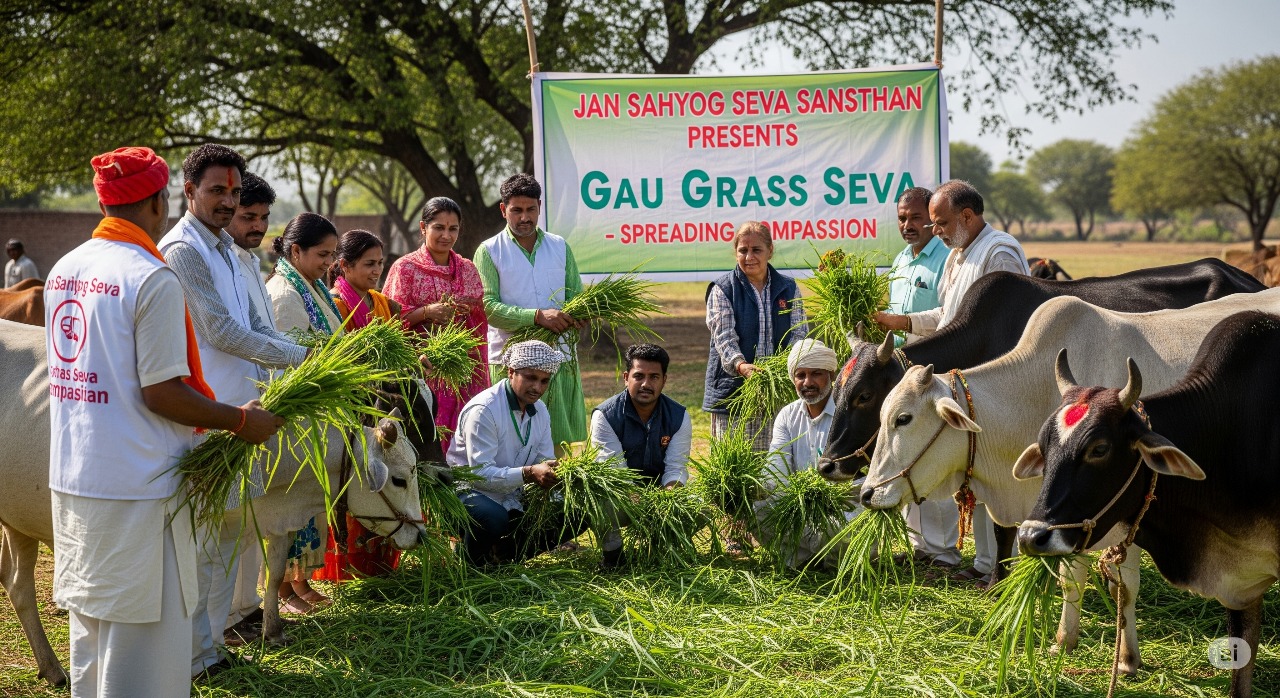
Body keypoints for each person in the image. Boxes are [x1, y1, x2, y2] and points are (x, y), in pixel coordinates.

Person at [46, 146, 282, 697]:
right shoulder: (152, 277)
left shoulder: (65, 267)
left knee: (94, 631)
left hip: (78, 480)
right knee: (145, 645)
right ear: (161, 199)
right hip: (141, 487)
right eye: (218, 191)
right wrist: (236, 421)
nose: (228, 202)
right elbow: (162, 393)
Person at [157, 146, 311, 675]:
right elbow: (220, 331)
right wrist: (305, 356)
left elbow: (257, 327)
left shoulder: (229, 250)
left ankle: (209, 649)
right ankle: (189, 657)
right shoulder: (181, 250)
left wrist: (311, 364)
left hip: (244, 414)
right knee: (202, 544)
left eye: (234, 191)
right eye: (216, 191)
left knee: (229, 536)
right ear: (188, 190)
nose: (227, 202)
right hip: (206, 415)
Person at [873, 179, 1030, 584]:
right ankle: (983, 566)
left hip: (998, 382)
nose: (934, 229)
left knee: (997, 473)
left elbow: (1011, 325)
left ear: (967, 216)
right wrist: (904, 323)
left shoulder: (1000, 252)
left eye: (940, 221)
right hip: (966, 380)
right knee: (975, 474)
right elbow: (948, 318)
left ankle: (1005, 569)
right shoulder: (958, 256)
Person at [314, 229, 408, 582]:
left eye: (380, 263)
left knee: (384, 479)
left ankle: (379, 564)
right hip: (351, 407)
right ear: (344, 266)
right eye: (369, 264)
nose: (376, 271)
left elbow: (396, 340)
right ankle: (343, 569)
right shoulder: (337, 303)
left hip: (381, 406)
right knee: (350, 481)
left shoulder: (378, 301)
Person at [447, 340, 584, 565]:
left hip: (513, 494)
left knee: (575, 512)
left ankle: (505, 555)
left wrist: (560, 476)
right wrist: (529, 473)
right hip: (468, 493)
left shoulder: (540, 411)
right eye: (530, 378)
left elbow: (543, 459)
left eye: (544, 381)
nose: (537, 388)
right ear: (511, 372)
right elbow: (480, 475)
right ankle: (469, 562)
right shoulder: (484, 410)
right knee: (493, 517)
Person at [474, 174, 586, 451]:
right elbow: (488, 308)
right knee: (509, 444)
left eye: (530, 210)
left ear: (539, 206)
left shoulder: (560, 246)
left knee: (557, 444)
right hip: (509, 362)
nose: (525, 217)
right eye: (517, 210)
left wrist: (583, 313)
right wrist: (536, 317)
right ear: (503, 210)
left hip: (558, 358)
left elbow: (576, 297)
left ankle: (556, 494)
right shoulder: (489, 251)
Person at [265, 212, 343, 611]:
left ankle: (300, 582)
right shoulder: (283, 293)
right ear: (295, 251)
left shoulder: (314, 289)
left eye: (332, 255)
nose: (329, 263)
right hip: (298, 414)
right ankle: (281, 587)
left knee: (311, 503)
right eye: (322, 254)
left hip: (321, 411)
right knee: (292, 505)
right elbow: (289, 358)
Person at [220, 170, 283, 646]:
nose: (257, 225)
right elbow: (233, 334)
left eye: (263, 217)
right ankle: (224, 620)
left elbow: (264, 331)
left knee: (249, 515)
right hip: (225, 405)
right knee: (229, 520)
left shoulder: (248, 263)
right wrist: (305, 357)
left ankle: (244, 608)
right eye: (248, 216)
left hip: (257, 399)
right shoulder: (211, 259)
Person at [883, 186, 960, 570]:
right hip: (901, 373)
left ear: (931, 219)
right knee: (905, 455)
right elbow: (894, 315)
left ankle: (944, 552)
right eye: (902, 218)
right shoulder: (900, 260)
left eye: (915, 217)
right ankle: (920, 546)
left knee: (932, 458)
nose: (908, 225)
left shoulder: (946, 259)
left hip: (933, 373)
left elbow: (948, 319)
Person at [384, 197, 490, 450]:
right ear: (423, 228)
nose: (446, 235)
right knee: (428, 434)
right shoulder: (405, 268)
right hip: (423, 368)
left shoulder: (466, 268)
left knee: (467, 434)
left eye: (452, 228)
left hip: (462, 367)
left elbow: (481, 316)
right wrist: (426, 312)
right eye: (438, 228)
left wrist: (467, 310)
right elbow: (389, 318)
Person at [755, 339, 860, 568]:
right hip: (800, 507)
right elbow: (776, 467)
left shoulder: (850, 414)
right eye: (800, 375)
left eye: (816, 374)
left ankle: (831, 560)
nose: (807, 382)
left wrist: (827, 499)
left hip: (841, 508)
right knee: (756, 510)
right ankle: (805, 560)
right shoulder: (787, 415)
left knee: (845, 526)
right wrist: (756, 489)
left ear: (831, 375)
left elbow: (861, 480)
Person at [703, 221, 807, 450]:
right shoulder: (723, 289)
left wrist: (783, 368)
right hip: (734, 393)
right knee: (736, 468)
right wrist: (741, 366)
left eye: (756, 250)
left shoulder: (788, 288)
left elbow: (799, 332)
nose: (749, 256)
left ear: (770, 251)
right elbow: (724, 338)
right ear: (736, 252)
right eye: (743, 250)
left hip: (777, 391)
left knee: (776, 463)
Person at [588, 343, 692, 568]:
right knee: (599, 501)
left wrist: (667, 498)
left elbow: (677, 466)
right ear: (626, 377)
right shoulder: (605, 416)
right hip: (621, 496)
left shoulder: (679, 416)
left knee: (699, 507)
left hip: (660, 495)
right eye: (639, 376)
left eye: (654, 377)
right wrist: (637, 498)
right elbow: (613, 470)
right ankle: (613, 558)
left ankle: (659, 547)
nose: (646, 384)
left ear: (665, 379)